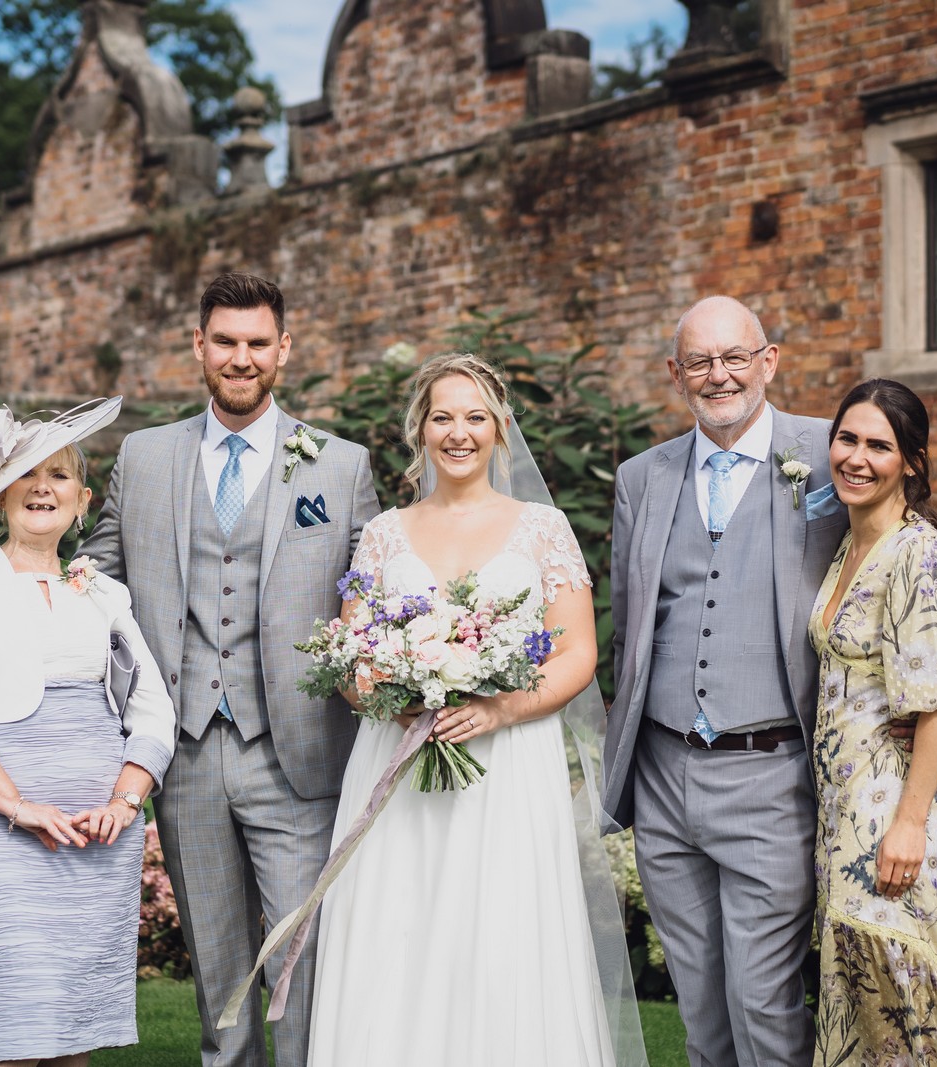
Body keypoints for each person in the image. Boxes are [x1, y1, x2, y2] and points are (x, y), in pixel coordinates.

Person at [306, 353, 644, 1066]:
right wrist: (393, 697)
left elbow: (578, 652)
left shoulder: (543, 527)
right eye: (442, 418)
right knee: (398, 926)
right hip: (399, 762)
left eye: (474, 417)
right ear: (420, 430)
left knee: (501, 931)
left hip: (507, 765)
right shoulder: (383, 533)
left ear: (500, 429)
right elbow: (350, 656)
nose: (458, 433)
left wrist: (499, 711)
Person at [79, 271, 380, 1067]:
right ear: (198, 345)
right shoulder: (143, 457)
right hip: (183, 753)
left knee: (303, 962)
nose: (240, 358)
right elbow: (94, 580)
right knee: (218, 971)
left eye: (256, 343)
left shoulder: (341, 466)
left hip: (297, 752)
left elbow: (376, 594)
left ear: (284, 349)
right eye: (224, 341)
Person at [602, 296, 846, 1067]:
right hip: (664, 777)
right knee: (702, 1010)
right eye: (700, 362)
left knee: (764, 1003)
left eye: (735, 356)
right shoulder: (641, 478)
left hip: (772, 773)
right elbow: (628, 625)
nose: (720, 375)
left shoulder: (831, 452)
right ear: (676, 375)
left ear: (768, 361)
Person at [0, 397, 177, 1066]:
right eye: (26, 473)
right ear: (0, 493)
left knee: (72, 1027)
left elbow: (153, 708)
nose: (42, 487)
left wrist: (125, 801)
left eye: (59, 475)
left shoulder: (106, 593)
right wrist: (18, 806)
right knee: (9, 1019)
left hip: (96, 830)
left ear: (83, 500)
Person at [809, 379, 937, 1065]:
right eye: (846, 439)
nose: (857, 457)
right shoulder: (848, 547)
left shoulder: (921, 556)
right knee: (858, 1018)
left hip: (891, 819)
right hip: (843, 812)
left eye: (878, 445)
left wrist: (909, 824)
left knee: (903, 1018)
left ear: (912, 461)